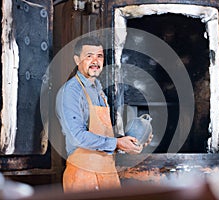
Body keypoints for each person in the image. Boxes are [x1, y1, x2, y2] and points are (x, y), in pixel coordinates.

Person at [56, 36, 150, 193]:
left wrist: (127, 143)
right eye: (89, 56)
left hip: (107, 174)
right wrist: (117, 143)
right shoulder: (71, 92)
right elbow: (76, 136)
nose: (95, 61)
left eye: (99, 56)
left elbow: (103, 137)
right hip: (83, 176)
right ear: (77, 59)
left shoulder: (97, 89)